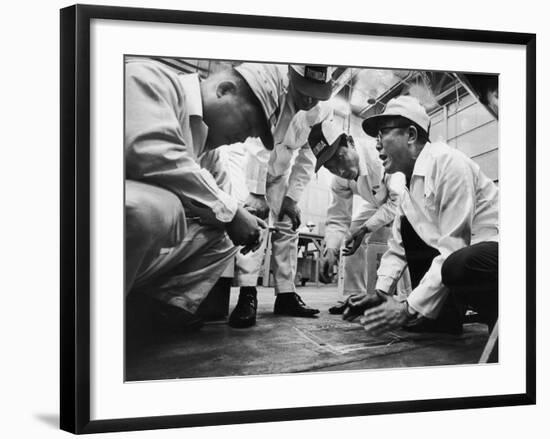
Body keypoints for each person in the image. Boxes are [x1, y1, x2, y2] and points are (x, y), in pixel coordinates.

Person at [125, 58, 275, 333]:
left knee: (226, 235)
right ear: (224, 90)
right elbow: (150, 152)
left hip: (133, 254)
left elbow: (227, 210)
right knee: (153, 208)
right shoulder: (152, 79)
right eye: (248, 123)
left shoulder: (210, 154)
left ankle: (155, 306)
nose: (244, 139)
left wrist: (242, 221)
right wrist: (230, 213)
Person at [343, 95, 499, 335]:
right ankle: (441, 318)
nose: (377, 144)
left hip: (503, 257)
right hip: (466, 260)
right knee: (409, 231)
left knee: (457, 264)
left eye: (383, 132)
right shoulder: (406, 189)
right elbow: (397, 247)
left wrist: (407, 308)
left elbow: (453, 247)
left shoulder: (448, 163)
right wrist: (380, 295)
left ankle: (503, 313)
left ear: (412, 135)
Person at [225, 63, 335, 328]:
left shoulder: (321, 111)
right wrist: (256, 193)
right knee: (256, 220)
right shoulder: (272, 90)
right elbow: (255, 143)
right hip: (249, 162)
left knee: (288, 223)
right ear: (291, 77)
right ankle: (247, 293)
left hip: (279, 172)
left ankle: (285, 294)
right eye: (304, 91)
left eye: (316, 93)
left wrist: (291, 198)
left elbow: (308, 156)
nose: (309, 99)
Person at [306, 121, 406, 313]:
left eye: (340, 158)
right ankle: (354, 296)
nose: (340, 170)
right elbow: (337, 217)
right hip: (379, 203)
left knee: (400, 236)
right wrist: (331, 250)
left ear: (350, 142)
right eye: (331, 167)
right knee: (351, 234)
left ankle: (405, 298)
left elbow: (398, 202)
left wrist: (366, 228)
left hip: (406, 203)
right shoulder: (340, 179)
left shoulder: (380, 157)